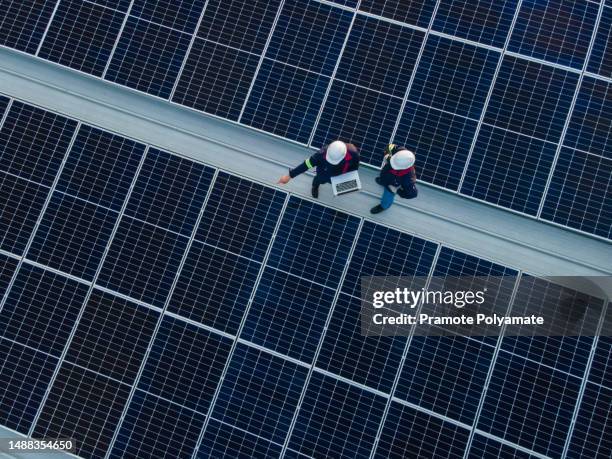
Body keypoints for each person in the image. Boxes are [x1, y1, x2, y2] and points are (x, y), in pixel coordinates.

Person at [277, 140, 360, 198]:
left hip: (339, 176)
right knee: (319, 180)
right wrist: (289, 176)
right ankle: (315, 186)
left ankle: (329, 184)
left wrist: (349, 178)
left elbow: (355, 166)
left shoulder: (353, 153)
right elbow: (306, 165)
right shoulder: (320, 155)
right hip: (323, 173)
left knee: (336, 185)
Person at [371, 144, 418, 214]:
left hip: (392, 185)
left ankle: (383, 206)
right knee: (383, 178)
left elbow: (413, 194)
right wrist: (386, 154)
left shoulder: (409, 179)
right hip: (386, 175)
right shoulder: (402, 153)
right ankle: (382, 181)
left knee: (388, 196)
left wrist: (397, 191)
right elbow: (389, 147)